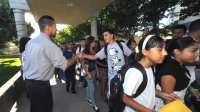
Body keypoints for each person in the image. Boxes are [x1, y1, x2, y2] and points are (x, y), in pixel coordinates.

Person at [23, 15, 84, 112]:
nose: (57, 29)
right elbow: (64, 65)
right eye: (55, 27)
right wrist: (77, 56)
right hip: (40, 86)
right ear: (48, 27)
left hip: (29, 83)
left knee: (35, 108)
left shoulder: (30, 42)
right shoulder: (50, 45)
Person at [83, 29, 132, 111]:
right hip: (112, 78)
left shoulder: (121, 45)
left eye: (106, 35)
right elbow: (94, 57)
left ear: (112, 35)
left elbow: (131, 56)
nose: (104, 37)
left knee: (123, 96)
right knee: (112, 97)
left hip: (122, 77)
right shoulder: (105, 49)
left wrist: (128, 66)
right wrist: (83, 55)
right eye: (103, 35)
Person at [122, 35, 167, 112]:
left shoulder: (150, 67)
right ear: (145, 52)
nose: (165, 53)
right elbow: (126, 99)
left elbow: (147, 88)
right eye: (160, 50)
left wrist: (163, 94)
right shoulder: (135, 73)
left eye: (164, 49)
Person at [154, 37, 199, 110]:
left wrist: (192, 90)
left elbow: (180, 81)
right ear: (177, 51)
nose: (197, 54)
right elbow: (168, 102)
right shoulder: (169, 72)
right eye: (193, 51)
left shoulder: (179, 64)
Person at [80, 36, 99, 112]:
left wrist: (97, 71)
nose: (95, 43)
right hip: (86, 72)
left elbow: (95, 62)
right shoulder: (84, 51)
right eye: (94, 41)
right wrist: (88, 73)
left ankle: (87, 98)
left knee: (89, 85)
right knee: (92, 88)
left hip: (93, 70)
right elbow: (82, 64)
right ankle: (93, 105)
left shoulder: (94, 50)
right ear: (90, 42)